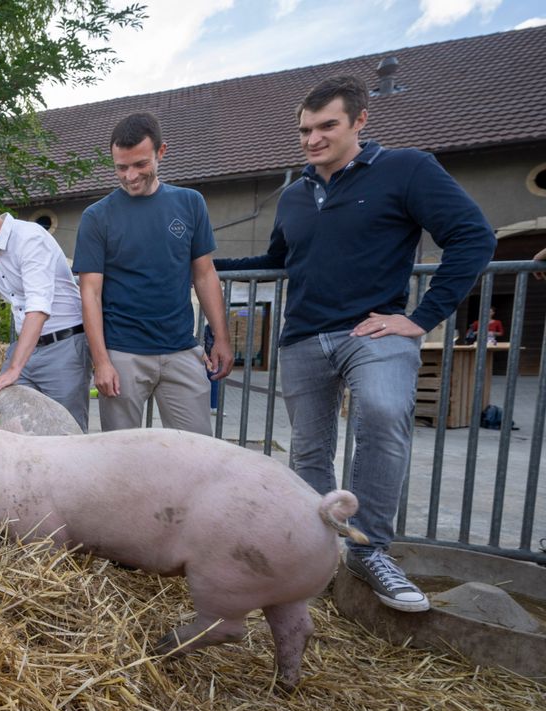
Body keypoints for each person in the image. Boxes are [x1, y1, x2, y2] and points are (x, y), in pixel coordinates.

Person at [216, 75, 495, 612]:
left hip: (372, 330)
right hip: (300, 337)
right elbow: (278, 261)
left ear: (360, 121)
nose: (313, 138)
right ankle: (314, 553)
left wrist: (421, 317)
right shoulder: (296, 194)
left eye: (327, 126)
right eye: (305, 129)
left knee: (385, 412)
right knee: (309, 451)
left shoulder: (406, 170)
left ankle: (370, 550)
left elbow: (473, 236)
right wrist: (206, 263)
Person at [72, 112, 233, 435]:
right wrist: (101, 361)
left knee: (197, 453)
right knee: (122, 459)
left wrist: (222, 338)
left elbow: (204, 274)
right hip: (123, 355)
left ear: (161, 152)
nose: (130, 176)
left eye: (140, 165)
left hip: (181, 349)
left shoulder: (190, 203)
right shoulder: (97, 217)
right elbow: (89, 293)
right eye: (121, 167)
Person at [0, 187, 93, 430]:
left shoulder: (29, 238)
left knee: (68, 433)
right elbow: (18, 270)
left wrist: (14, 369)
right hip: (28, 347)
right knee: (11, 426)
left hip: (63, 349)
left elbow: (38, 308)